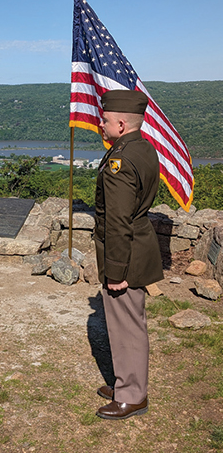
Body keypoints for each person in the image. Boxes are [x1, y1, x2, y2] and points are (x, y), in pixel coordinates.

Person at [94, 89, 163, 420]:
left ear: (121, 124)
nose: (101, 124)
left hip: (126, 253)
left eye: (105, 120)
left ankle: (132, 395)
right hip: (140, 244)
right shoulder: (144, 149)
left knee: (126, 325)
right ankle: (126, 384)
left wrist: (115, 270)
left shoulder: (120, 161)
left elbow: (118, 221)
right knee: (130, 320)